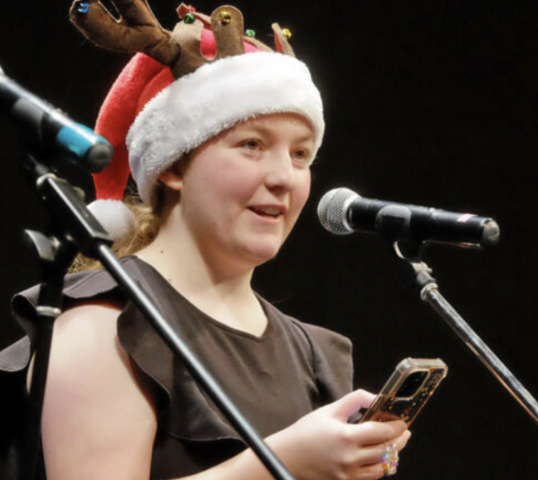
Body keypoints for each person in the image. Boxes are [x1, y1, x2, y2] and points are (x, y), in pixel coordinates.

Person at [0, 1, 410, 479]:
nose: (284, 176)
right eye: (252, 144)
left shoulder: (313, 354)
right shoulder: (104, 326)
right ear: (173, 166)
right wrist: (283, 463)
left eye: (301, 154)